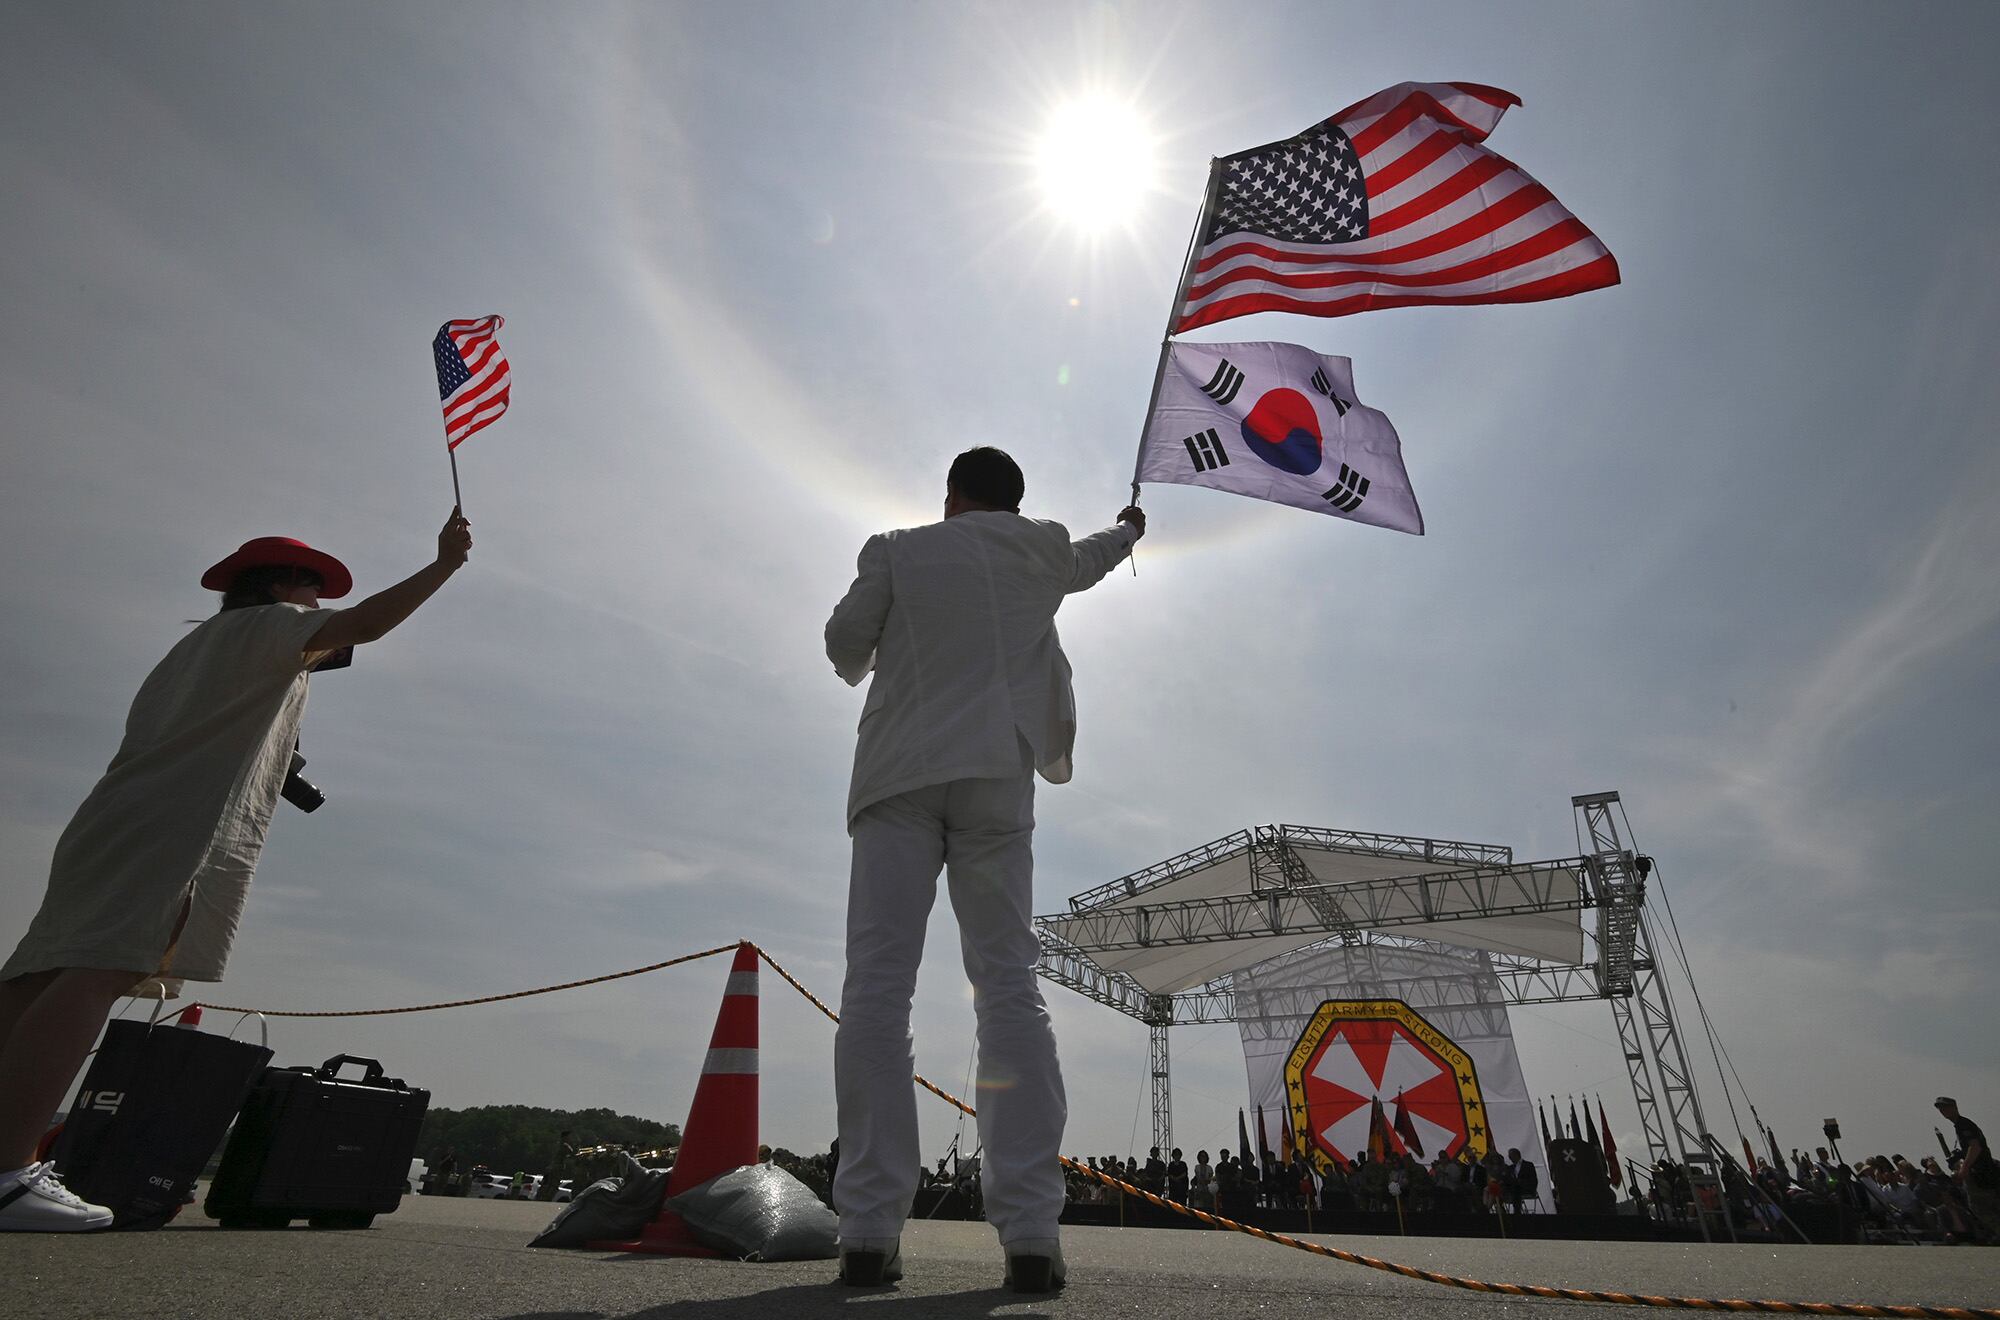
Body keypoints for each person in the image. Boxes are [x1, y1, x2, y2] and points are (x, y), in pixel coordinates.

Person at [0, 511, 472, 1231]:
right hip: (173, 822)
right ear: (287, 586)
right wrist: (442, 566)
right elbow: (365, 625)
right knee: (97, 971)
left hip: (112, 818)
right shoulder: (271, 626)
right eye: (313, 592)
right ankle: (8, 1173)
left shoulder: (200, 644)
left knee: (34, 979)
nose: (317, 608)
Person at [823, 447, 1143, 1292]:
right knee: (1008, 985)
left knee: (877, 988)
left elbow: (841, 644)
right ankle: (1032, 1234)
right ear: (1016, 500)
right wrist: (1133, 526)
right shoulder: (1041, 547)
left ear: (952, 497)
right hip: (997, 776)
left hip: (898, 777)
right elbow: (1097, 560)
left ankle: (866, 1227)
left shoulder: (898, 547)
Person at [1935, 1097, 1999, 1240]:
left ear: (1954, 1107)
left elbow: (1974, 1147)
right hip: (1982, 1171)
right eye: (1940, 1109)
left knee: (1980, 1207)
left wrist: (1964, 1169)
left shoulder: (1964, 1125)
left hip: (1982, 1172)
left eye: (1945, 1107)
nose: (1943, 1111)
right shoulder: (1960, 1125)